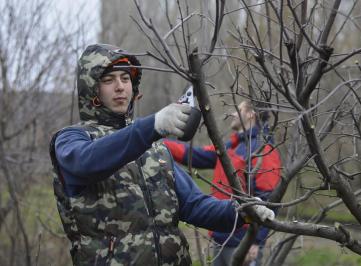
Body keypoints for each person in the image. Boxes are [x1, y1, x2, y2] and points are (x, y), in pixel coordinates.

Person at [49, 44, 275, 266]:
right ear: (92, 89)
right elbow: (86, 162)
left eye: (125, 79)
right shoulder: (71, 139)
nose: (120, 87)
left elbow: (194, 205)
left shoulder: (154, 148)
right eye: (109, 80)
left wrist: (240, 211)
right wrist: (152, 126)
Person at [163, 100, 281, 266]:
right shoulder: (231, 147)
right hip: (221, 235)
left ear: (250, 114)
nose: (233, 113)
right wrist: (158, 143)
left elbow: (269, 200)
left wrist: (256, 241)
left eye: (238, 109)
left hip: (243, 242)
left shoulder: (263, 150)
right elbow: (194, 155)